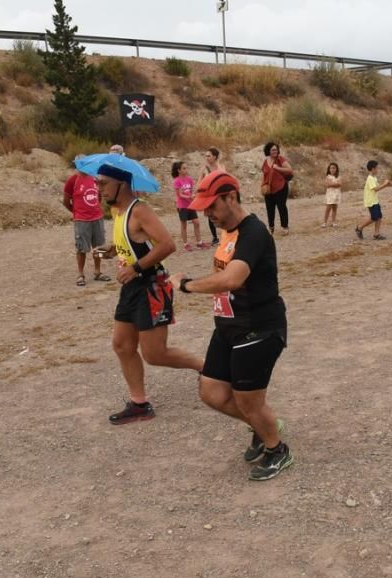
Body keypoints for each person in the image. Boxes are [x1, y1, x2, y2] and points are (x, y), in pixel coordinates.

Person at [169, 172, 292, 482]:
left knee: (248, 401)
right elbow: (223, 277)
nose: (207, 214)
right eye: (204, 209)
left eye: (212, 207)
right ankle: (264, 427)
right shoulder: (227, 231)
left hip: (259, 328)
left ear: (231, 198)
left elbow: (232, 278)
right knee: (211, 392)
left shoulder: (254, 233)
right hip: (228, 326)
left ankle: (278, 450)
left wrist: (186, 285)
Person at [96, 164, 204, 425]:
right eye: (97, 183)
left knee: (155, 354)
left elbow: (167, 244)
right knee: (122, 345)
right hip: (132, 288)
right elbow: (136, 242)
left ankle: (208, 368)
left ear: (121, 184)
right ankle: (139, 404)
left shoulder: (140, 210)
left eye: (103, 183)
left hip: (151, 286)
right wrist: (115, 251)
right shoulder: (117, 210)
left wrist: (135, 267)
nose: (98, 189)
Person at [63, 154, 111, 286]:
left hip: (97, 218)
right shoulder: (72, 180)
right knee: (81, 248)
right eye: (80, 163)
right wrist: (76, 212)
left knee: (99, 247)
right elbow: (66, 201)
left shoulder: (94, 178)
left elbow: (99, 195)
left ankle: (98, 272)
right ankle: (80, 274)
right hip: (81, 220)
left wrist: (96, 208)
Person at [172, 161, 207, 251]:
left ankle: (199, 242)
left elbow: (191, 191)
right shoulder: (177, 181)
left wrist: (194, 197)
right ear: (179, 170)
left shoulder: (189, 179)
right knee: (184, 225)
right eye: (184, 168)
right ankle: (185, 244)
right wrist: (189, 196)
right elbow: (179, 194)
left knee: (196, 222)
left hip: (190, 205)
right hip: (182, 206)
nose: (186, 170)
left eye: (186, 168)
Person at [261, 141, 294, 235]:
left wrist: (277, 168)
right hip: (269, 189)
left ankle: (285, 227)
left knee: (281, 207)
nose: (275, 151)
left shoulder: (280, 159)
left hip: (281, 187)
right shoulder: (265, 161)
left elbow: (290, 170)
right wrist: (262, 185)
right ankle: (271, 228)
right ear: (268, 151)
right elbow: (264, 174)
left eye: (276, 149)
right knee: (269, 208)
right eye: (273, 150)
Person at [355, 160, 391, 240]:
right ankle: (359, 228)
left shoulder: (374, 178)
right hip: (371, 201)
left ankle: (376, 234)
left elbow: (378, 187)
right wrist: (385, 184)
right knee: (374, 217)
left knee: (379, 217)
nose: (378, 170)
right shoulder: (370, 178)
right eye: (377, 168)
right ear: (372, 169)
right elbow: (376, 189)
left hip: (375, 200)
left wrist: (386, 184)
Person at [201, 148, 225, 246]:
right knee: (211, 217)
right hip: (209, 196)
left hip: (219, 196)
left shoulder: (221, 166)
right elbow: (200, 182)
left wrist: (217, 163)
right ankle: (215, 238)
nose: (207, 158)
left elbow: (224, 176)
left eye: (209, 156)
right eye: (206, 156)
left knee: (223, 216)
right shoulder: (204, 169)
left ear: (215, 157)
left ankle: (226, 236)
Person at [323, 162, 341, 228]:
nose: (332, 169)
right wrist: (335, 184)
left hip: (336, 195)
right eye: (331, 168)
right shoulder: (328, 177)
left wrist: (332, 184)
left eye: (334, 168)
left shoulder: (338, 177)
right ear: (329, 169)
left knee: (334, 209)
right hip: (330, 195)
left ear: (336, 169)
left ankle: (333, 222)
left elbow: (339, 184)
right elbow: (327, 185)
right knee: (328, 208)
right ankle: (324, 222)